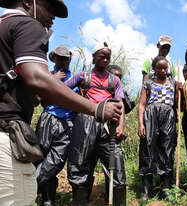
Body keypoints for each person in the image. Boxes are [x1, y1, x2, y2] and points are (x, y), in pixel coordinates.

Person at [0, 1, 122, 205]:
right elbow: (38, 79)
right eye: (49, 7)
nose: (53, 16)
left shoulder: (4, 26)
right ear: (28, 2)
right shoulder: (27, 25)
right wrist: (96, 108)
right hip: (7, 132)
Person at [64, 42, 127, 206]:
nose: (105, 60)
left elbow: (120, 104)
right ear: (94, 57)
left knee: (116, 164)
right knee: (80, 163)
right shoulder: (82, 76)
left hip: (107, 125)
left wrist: (121, 126)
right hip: (85, 122)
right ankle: (80, 202)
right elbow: (63, 90)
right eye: (102, 57)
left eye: (108, 58)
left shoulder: (115, 80)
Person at [34, 45, 78, 206]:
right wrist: (53, 81)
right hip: (48, 119)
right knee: (41, 158)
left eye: (66, 58)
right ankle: (47, 199)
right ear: (54, 59)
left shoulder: (75, 78)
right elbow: (40, 100)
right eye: (60, 58)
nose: (63, 61)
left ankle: (29, 188)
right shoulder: (48, 75)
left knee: (56, 161)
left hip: (67, 123)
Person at [138, 56, 178, 200]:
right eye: (159, 68)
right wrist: (141, 124)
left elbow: (177, 104)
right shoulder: (148, 83)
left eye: (165, 68)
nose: (163, 70)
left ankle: (165, 188)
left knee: (166, 148)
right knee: (147, 147)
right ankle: (146, 190)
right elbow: (142, 104)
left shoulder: (174, 83)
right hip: (150, 115)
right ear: (153, 69)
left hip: (168, 116)